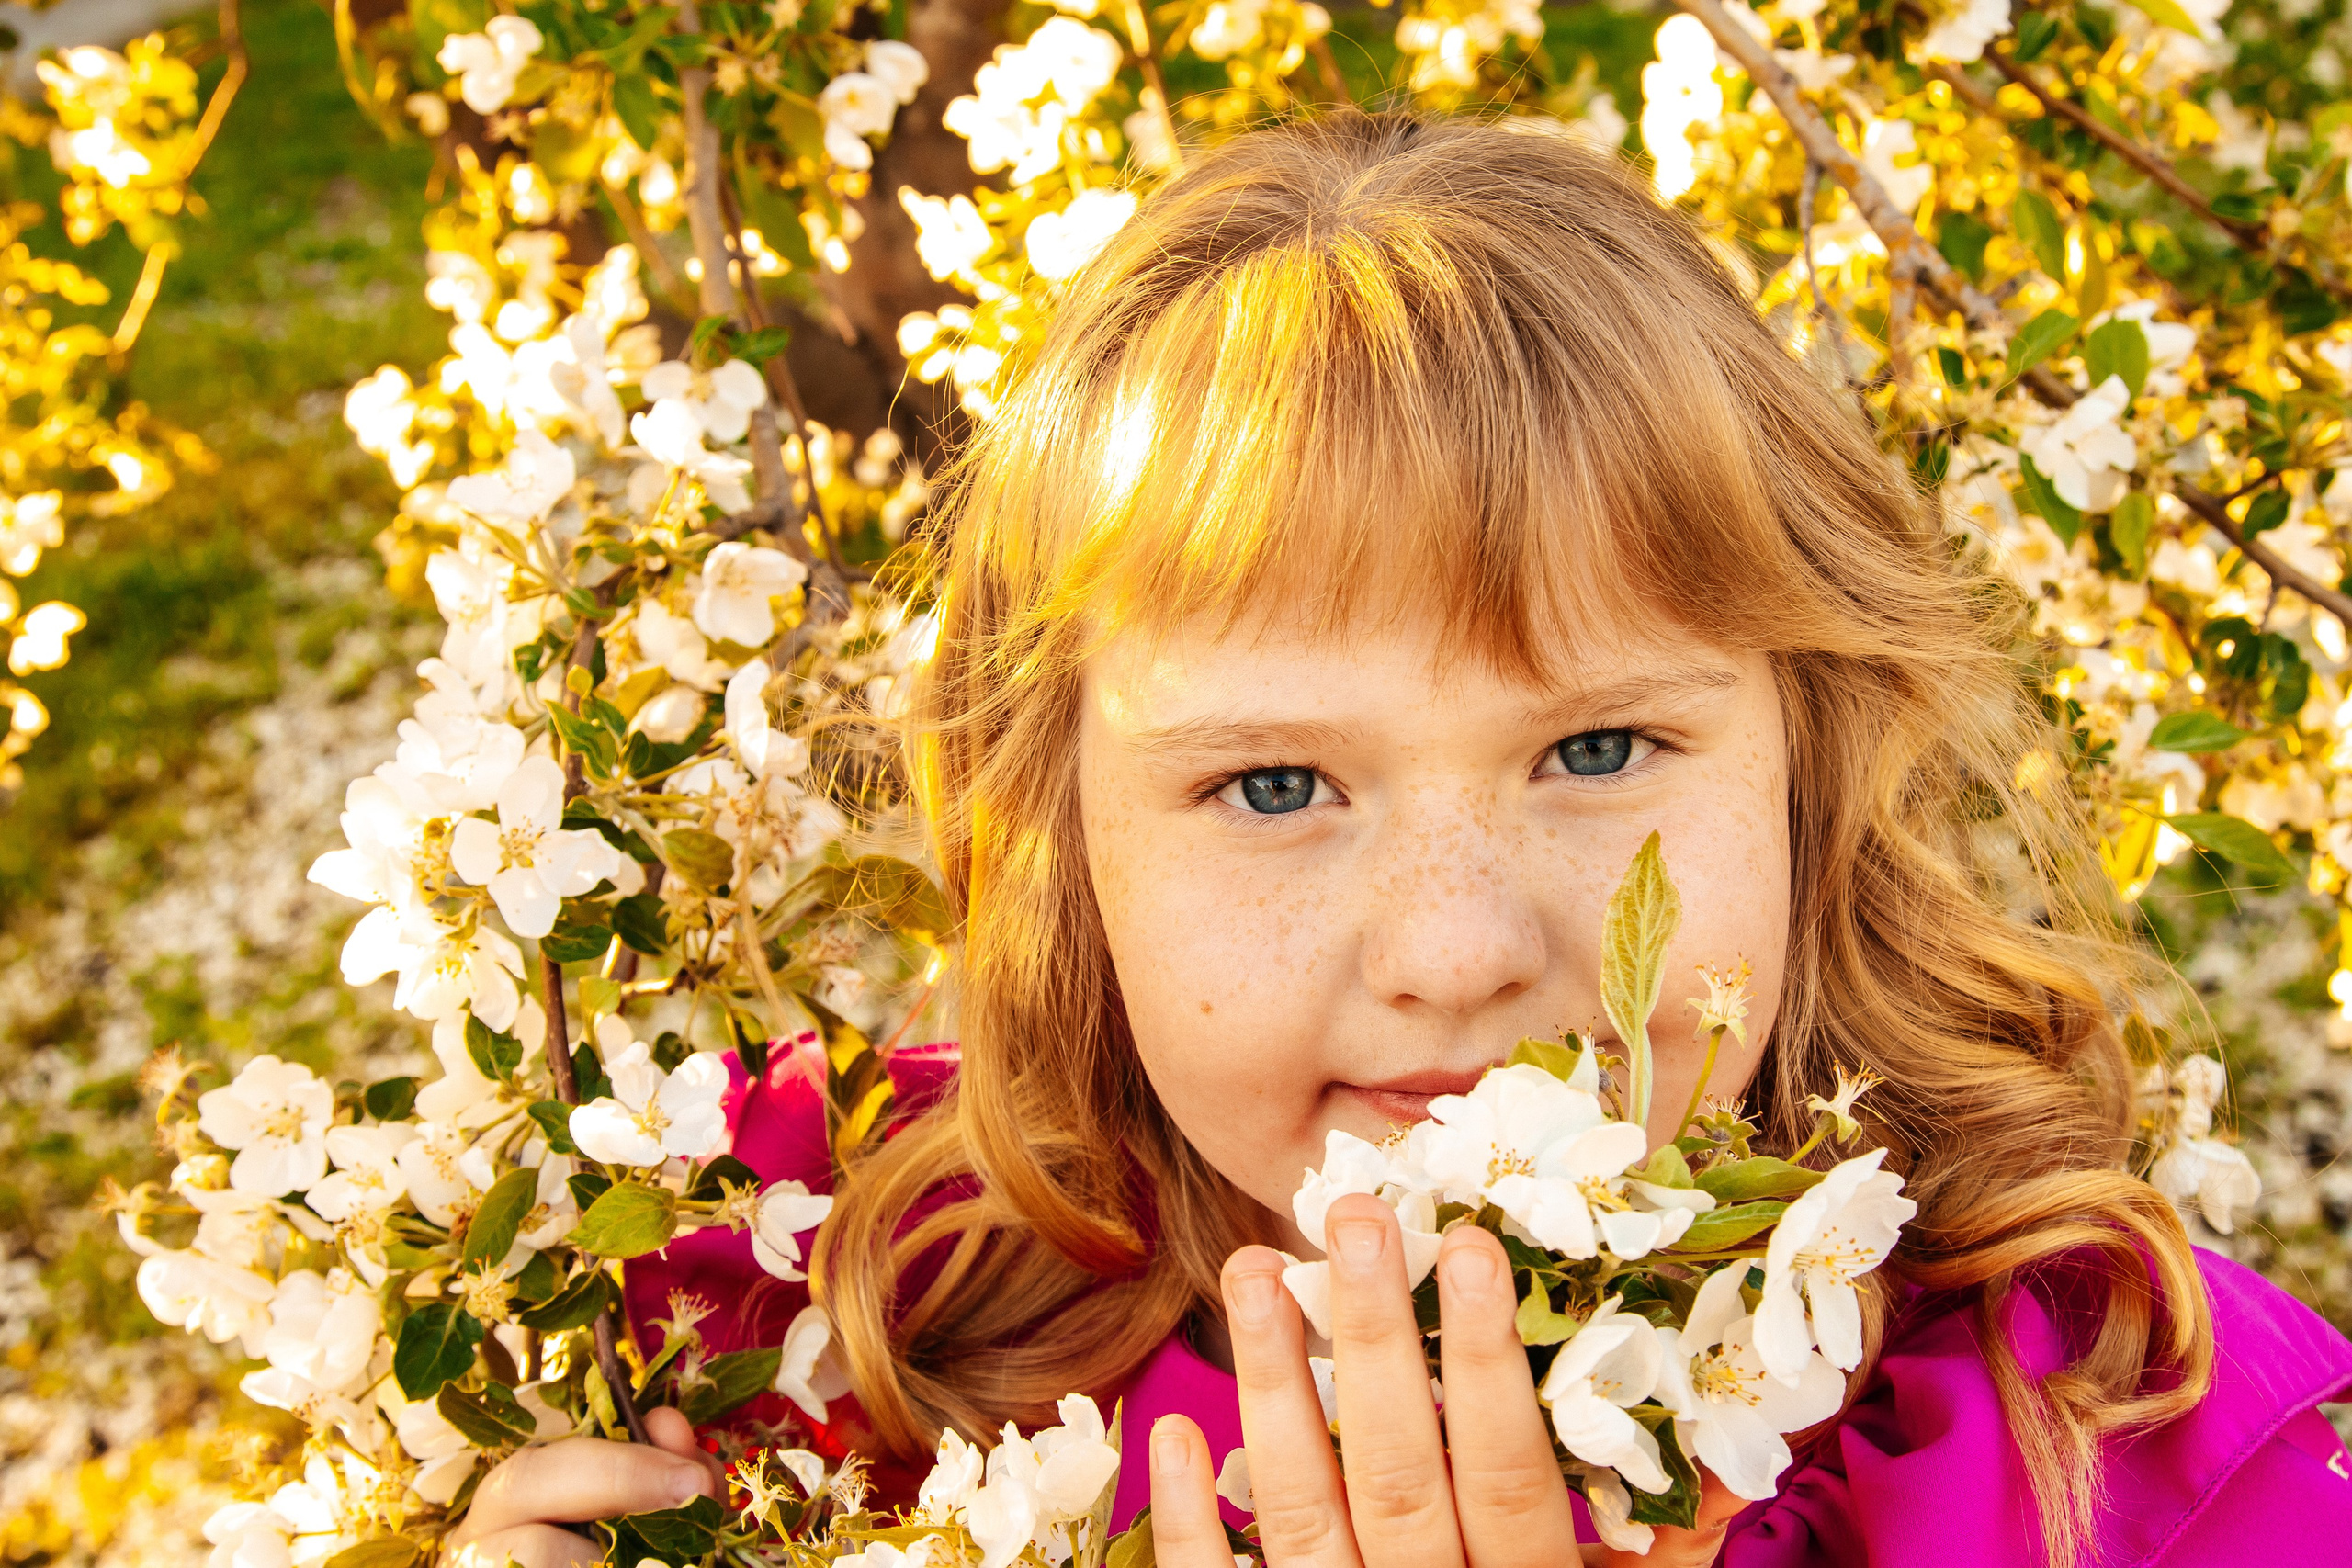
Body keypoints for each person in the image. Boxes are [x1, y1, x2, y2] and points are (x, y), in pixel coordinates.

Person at [445, 112, 2352, 1568]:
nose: (1453, 950)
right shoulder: (809, 1330)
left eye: (1596, 743)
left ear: (1803, 759)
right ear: (1057, 836)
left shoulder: (2143, 1454)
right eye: (1273, 785)